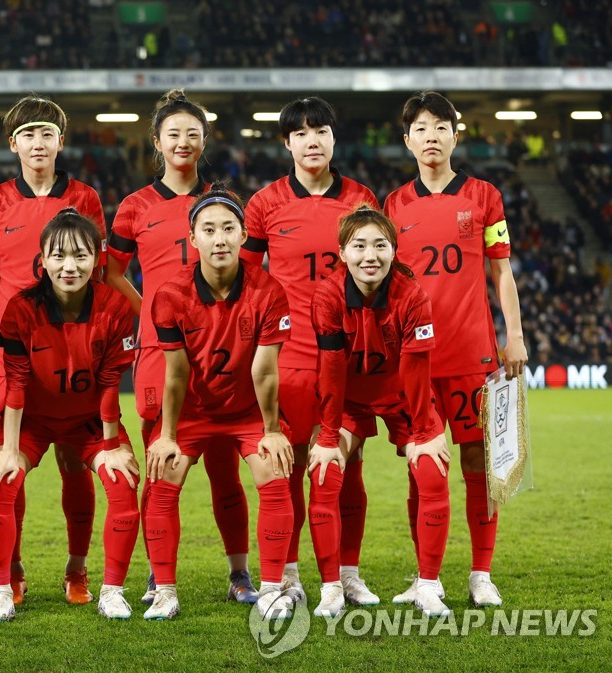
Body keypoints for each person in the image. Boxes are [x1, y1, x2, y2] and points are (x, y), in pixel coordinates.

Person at [106, 89, 257, 605]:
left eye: (193, 133)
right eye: (174, 133)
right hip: (160, 353)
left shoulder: (226, 202)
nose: (184, 142)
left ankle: (239, 574)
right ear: (157, 141)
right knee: (160, 468)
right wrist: (148, 306)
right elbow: (110, 272)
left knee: (224, 471)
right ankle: (158, 574)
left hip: (224, 352)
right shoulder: (134, 207)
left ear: (204, 140)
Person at [385, 91, 527, 608]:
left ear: (455, 134)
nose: (431, 136)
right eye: (420, 129)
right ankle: (427, 577)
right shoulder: (393, 205)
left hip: (474, 354)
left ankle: (480, 574)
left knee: (477, 462)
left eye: (440, 127)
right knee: (421, 464)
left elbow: (501, 270)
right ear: (407, 141)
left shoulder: (485, 196)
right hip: (416, 358)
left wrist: (514, 333)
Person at [241, 96, 380, 607]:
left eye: (319, 130)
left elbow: (377, 272)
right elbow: (247, 280)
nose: (312, 140)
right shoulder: (264, 204)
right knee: (292, 465)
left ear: (333, 138)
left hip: (345, 352)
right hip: (289, 353)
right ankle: (293, 573)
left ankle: (347, 573)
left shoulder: (361, 199)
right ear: (287, 143)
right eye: (300, 133)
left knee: (349, 464)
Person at [0, 95, 106, 605]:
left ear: (60, 141)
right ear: (14, 144)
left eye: (46, 134)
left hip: (76, 351)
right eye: (28, 135)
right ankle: (11, 568)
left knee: (77, 463)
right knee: (10, 461)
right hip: (13, 357)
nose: (38, 143)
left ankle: (76, 569)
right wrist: (17, 313)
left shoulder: (86, 198)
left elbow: (95, 271)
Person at [145, 184, 294, 621]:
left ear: (244, 234)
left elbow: (265, 372)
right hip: (193, 410)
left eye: (229, 228)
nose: (220, 239)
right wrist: (167, 436)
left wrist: (271, 431)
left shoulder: (269, 291)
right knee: (162, 473)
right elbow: (175, 373)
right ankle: (165, 591)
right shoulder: (170, 294)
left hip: (248, 411)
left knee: (274, 468)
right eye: (208, 230)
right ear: (193, 239)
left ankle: (268, 589)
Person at [0, 209, 140, 622]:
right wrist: (9, 448)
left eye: (81, 256)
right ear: (43, 260)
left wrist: (111, 446)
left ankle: (98, 583)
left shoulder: (115, 307)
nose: (70, 266)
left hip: (88, 419)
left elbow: (110, 384)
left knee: (121, 480)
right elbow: (14, 382)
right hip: (31, 418)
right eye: (59, 256)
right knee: (3, 478)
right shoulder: (18, 308)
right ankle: (3, 585)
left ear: (96, 259)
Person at [309, 206, 452, 617]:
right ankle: (335, 586)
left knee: (431, 468)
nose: (370, 255)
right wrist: (327, 437)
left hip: (404, 399)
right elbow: (332, 371)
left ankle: (427, 584)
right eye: (359, 246)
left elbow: (416, 370)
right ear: (342, 252)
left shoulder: (413, 295)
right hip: (350, 400)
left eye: (380, 245)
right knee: (326, 471)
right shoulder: (328, 294)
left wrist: (425, 431)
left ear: (393, 251)